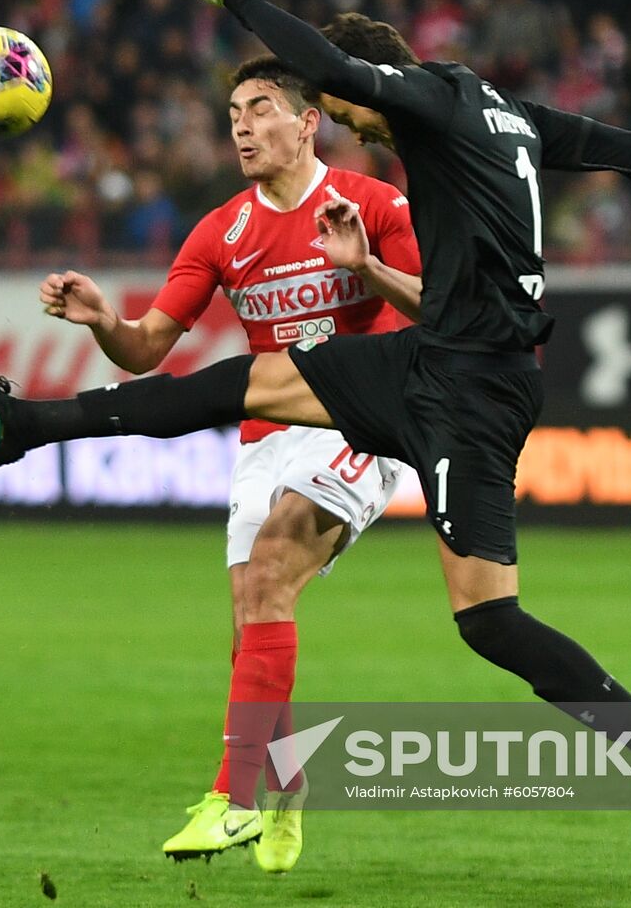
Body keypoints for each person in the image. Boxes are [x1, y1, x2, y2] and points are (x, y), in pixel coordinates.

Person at [0, 0, 631, 888]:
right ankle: (21, 429)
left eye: (339, 111)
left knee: (489, 621)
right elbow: (623, 150)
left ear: (365, 91)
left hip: (474, 386)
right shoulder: (500, 112)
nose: (347, 125)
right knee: (243, 380)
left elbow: (341, 72)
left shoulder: (418, 103)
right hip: (438, 360)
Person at [38, 54, 421, 871]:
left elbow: (442, 310)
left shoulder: (374, 204)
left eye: (259, 108)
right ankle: (286, 790)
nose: (241, 125)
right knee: (252, 624)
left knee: (272, 569)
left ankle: (231, 799)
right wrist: (104, 319)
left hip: (364, 422)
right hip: (266, 434)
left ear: (307, 121)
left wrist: (366, 269)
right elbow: (144, 350)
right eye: (233, 113)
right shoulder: (221, 231)